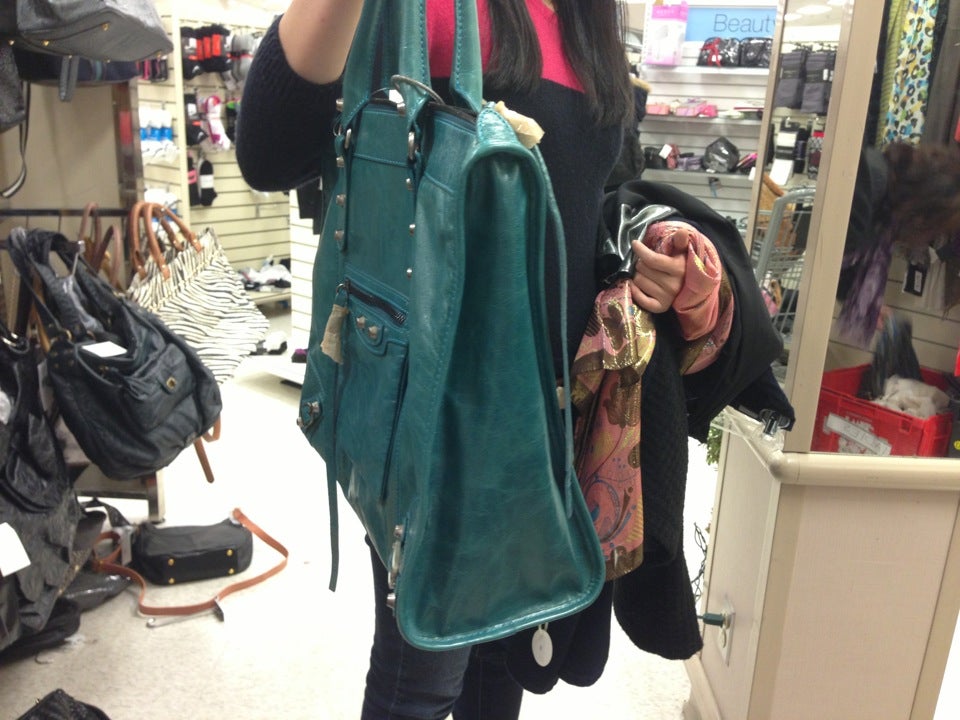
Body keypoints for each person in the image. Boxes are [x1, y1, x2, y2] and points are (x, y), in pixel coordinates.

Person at [237, 2, 744, 718]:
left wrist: (649, 246)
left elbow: (593, 188)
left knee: (503, 660)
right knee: (423, 676)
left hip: (553, 403)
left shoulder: (589, 18)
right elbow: (268, 153)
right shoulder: (433, 11)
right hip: (442, 408)